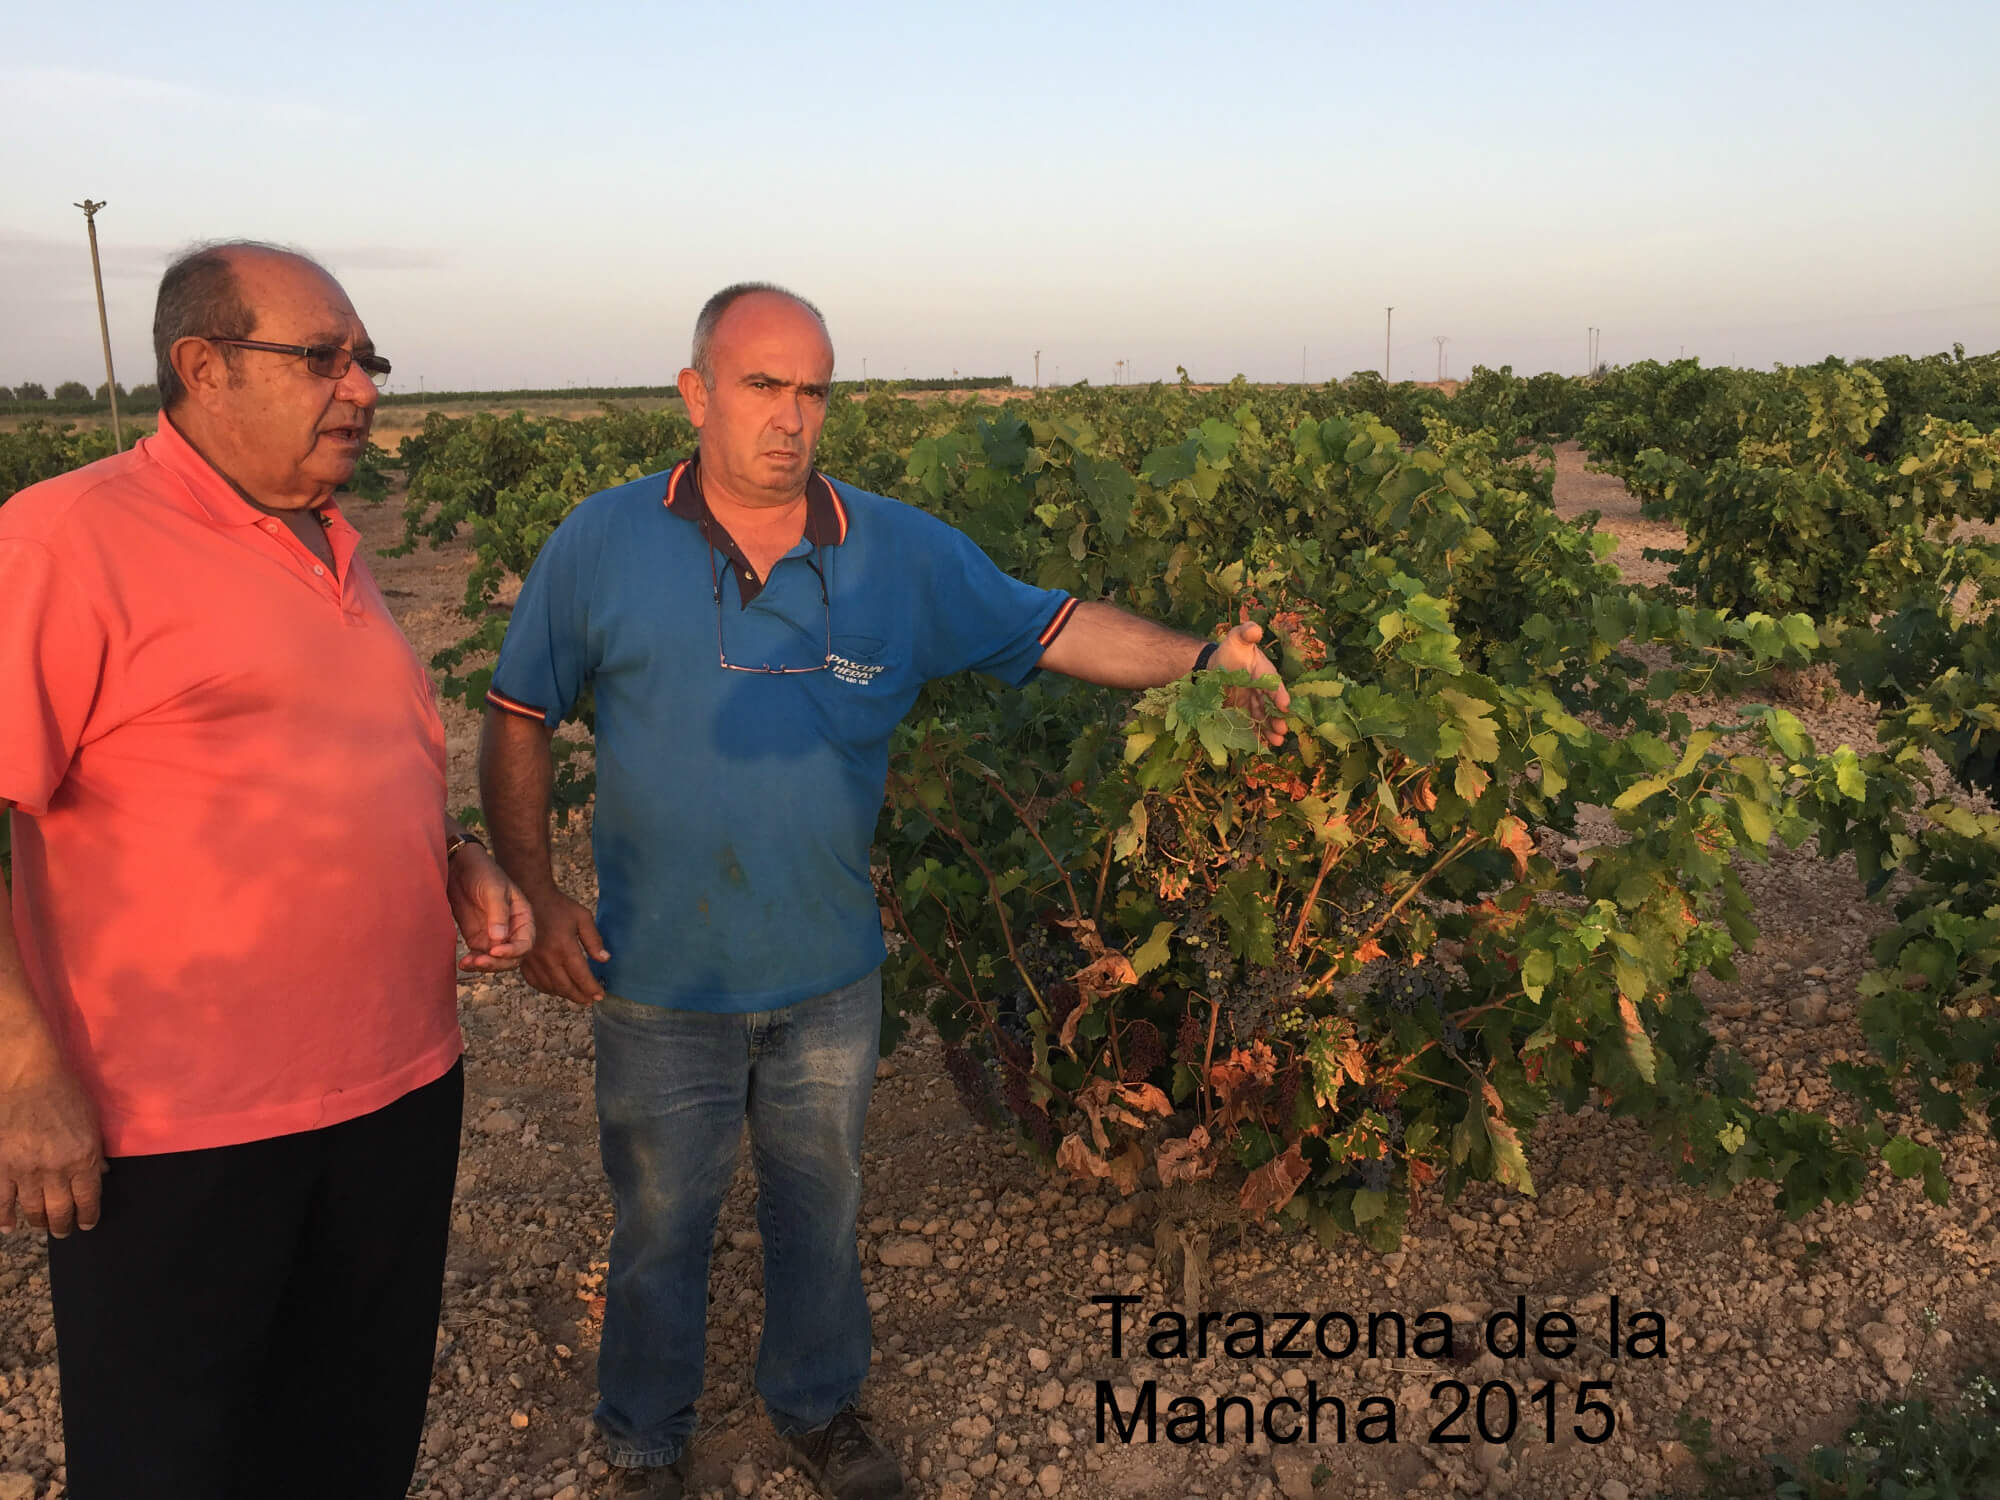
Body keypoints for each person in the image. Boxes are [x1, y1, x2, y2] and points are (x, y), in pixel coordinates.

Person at [478, 282, 1289, 1500]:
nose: (790, 417)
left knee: (819, 1212)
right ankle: (644, 1434)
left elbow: (1055, 627)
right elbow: (515, 714)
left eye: (812, 390)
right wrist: (538, 893)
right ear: (695, 392)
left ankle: (815, 1408)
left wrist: (1203, 661)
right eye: (761, 385)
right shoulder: (600, 542)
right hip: (657, 976)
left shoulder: (896, 552)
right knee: (658, 1222)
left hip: (827, 977)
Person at [0, 241, 535, 1500]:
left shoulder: (331, 541)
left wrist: (451, 857)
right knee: (175, 1463)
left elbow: (333, 762)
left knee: (352, 1441)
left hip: (396, 1095)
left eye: (367, 360)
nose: (362, 387)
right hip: (181, 1133)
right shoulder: (67, 539)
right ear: (203, 367)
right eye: (321, 358)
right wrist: (21, 1068)